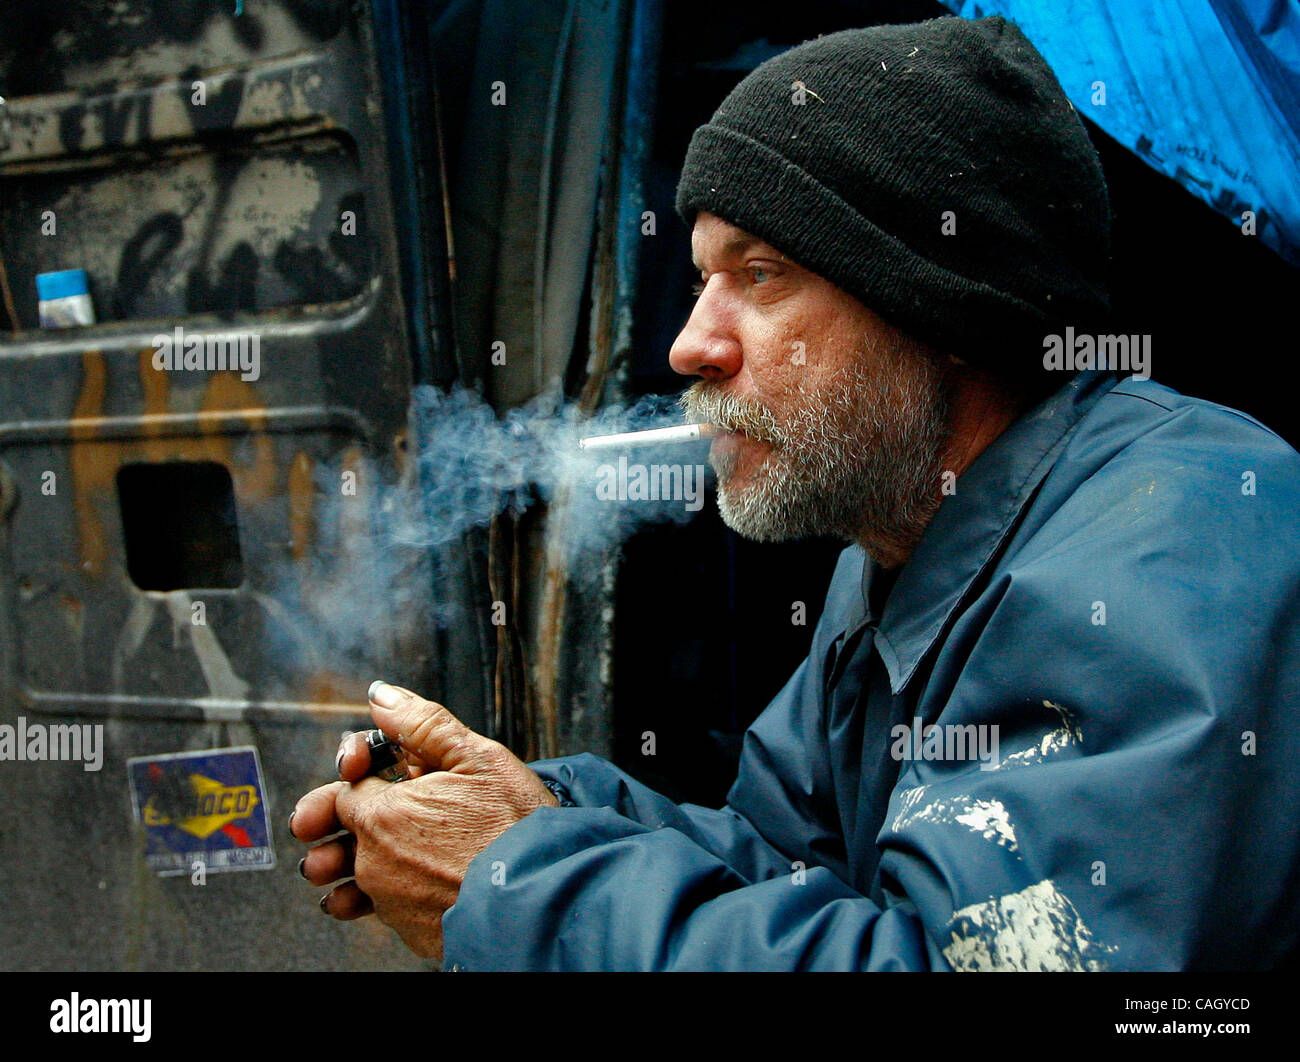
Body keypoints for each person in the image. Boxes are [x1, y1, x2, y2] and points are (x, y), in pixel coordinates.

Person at [288, 14, 1300, 970]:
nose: (689, 345)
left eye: (761, 274)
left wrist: (512, 881)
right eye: (700, 280)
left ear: (946, 309)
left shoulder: (1172, 544)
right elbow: (797, 875)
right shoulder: (897, 553)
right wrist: (534, 814)